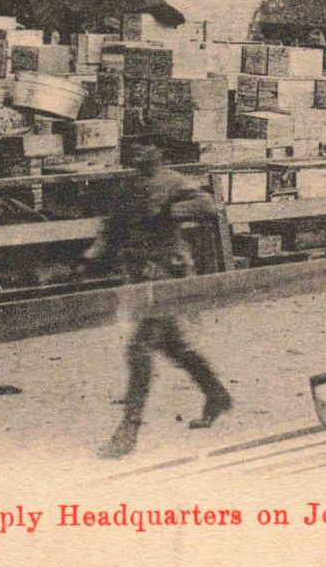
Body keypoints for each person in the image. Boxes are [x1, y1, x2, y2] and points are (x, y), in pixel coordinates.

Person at [92, 144, 231, 459]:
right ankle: (216, 394)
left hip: (168, 274)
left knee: (140, 349)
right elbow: (112, 228)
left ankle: (129, 429)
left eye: (147, 150)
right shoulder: (128, 187)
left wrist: (170, 212)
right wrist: (94, 255)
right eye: (136, 150)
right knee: (173, 346)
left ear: (159, 155)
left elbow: (207, 205)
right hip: (141, 276)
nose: (141, 155)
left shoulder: (173, 181)